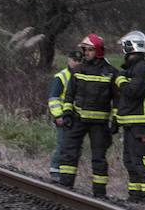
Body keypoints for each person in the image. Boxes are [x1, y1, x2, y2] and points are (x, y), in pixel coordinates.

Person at [60, 34, 119, 198]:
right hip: (77, 120)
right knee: (69, 153)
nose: (85, 53)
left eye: (89, 50)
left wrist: (115, 120)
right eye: (84, 49)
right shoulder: (78, 71)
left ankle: (99, 194)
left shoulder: (111, 73)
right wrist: (67, 113)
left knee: (99, 158)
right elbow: (69, 95)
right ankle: (65, 188)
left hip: (100, 124)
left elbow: (117, 100)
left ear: (98, 51)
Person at [115, 31, 145, 204]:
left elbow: (133, 92)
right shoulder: (135, 68)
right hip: (131, 122)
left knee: (142, 158)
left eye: (124, 46)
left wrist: (120, 80)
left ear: (130, 46)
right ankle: (136, 195)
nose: (122, 50)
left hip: (140, 123)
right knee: (130, 160)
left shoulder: (141, 68)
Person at [47, 50, 83, 182]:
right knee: (63, 144)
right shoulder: (61, 76)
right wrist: (58, 116)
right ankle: (55, 169)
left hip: (77, 117)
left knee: (75, 147)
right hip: (63, 117)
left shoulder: (82, 75)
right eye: (74, 60)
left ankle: (66, 173)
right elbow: (54, 99)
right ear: (69, 60)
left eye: (79, 60)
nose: (76, 63)